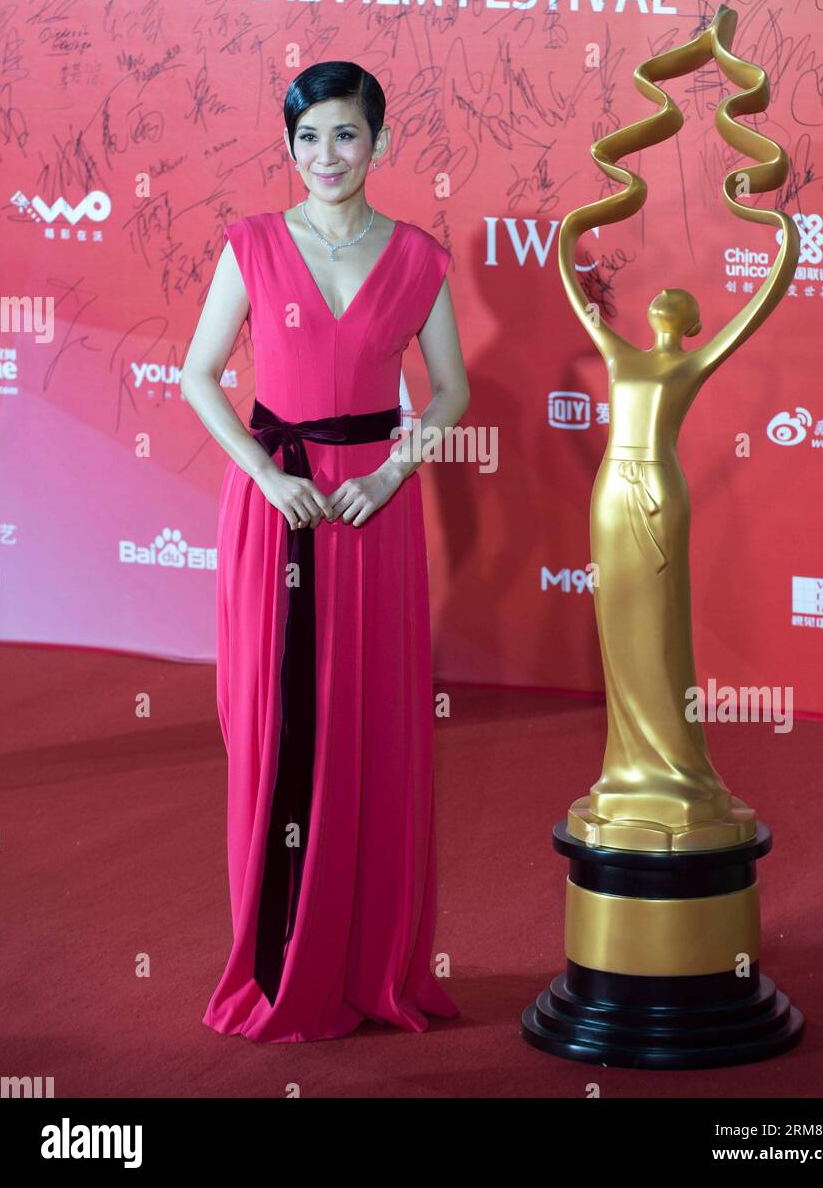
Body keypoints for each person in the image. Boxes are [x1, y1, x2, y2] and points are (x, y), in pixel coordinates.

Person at [181, 60, 470, 1042]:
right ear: (291, 147)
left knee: (370, 723)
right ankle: (278, 966)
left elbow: (451, 395)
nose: (327, 156)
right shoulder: (253, 245)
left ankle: (368, 961)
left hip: (372, 517)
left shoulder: (419, 257)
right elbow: (199, 376)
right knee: (276, 724)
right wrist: (268, 478)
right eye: (309, 138)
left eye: (347, 135)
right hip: (279, 507)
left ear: (379, 144)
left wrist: (390, 476)